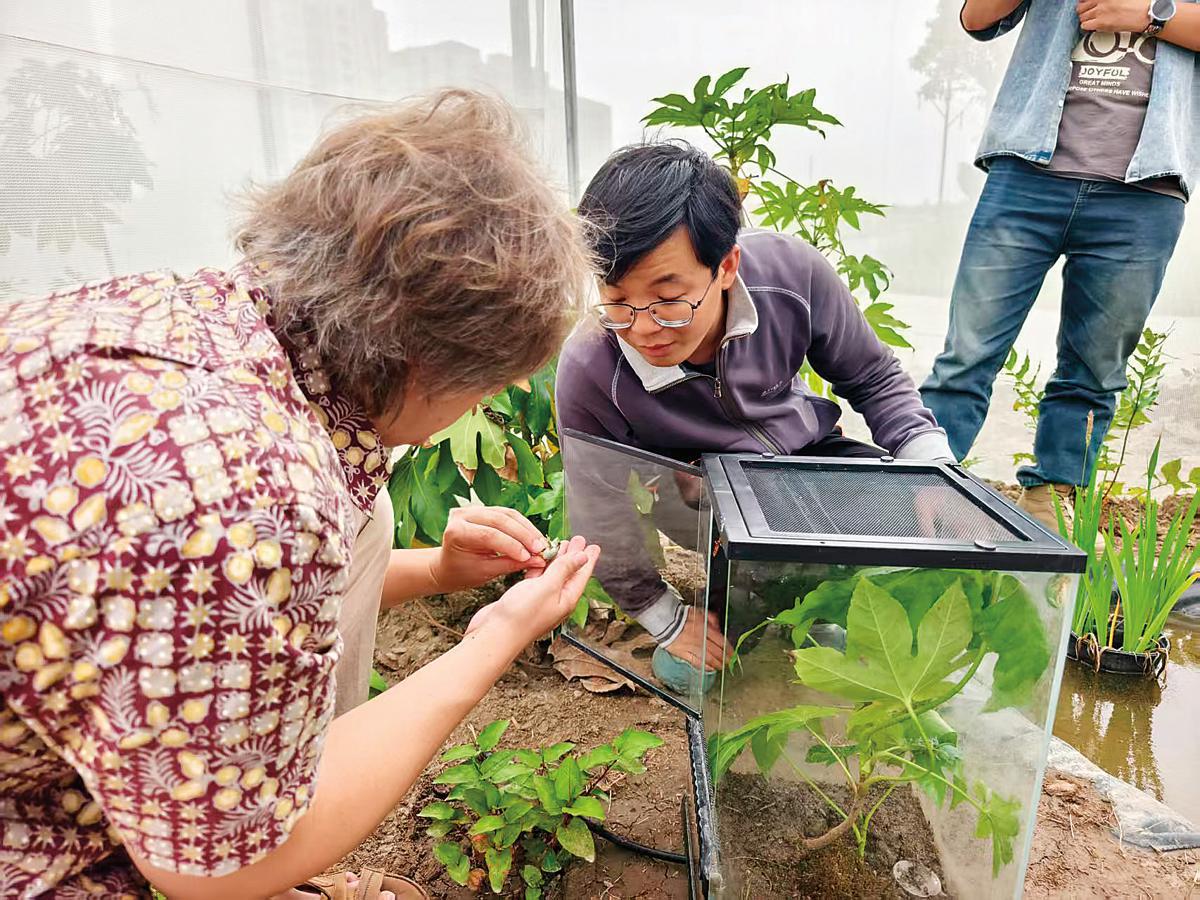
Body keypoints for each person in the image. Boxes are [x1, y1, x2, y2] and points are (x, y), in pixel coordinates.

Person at [0, 89, 600, 900]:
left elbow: (209, 606)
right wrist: (491, 639)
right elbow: (215, 872)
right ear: (426, 363)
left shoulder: (203, 313)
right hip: (32, 844)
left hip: (55, 713)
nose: (484, 404)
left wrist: (437, 571)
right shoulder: (253, 493)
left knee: (368, 513)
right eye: (487, 384)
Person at [555, 141, 954, 683]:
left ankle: (817, 602)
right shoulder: (591, 367)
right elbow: (597, 505)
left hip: (809, 463)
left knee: (917, 526)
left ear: (726, 267)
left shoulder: (790, 275)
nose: (642, 327)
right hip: (712, 509)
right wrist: (666, 617)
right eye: (618, 300)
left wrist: (933, 469)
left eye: (669, 300)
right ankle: (763, 602)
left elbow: (873, 375)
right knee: (699, 674)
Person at [921, 0, 1199, 530]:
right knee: (967, 356)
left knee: (1094, 371)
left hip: (1146, 190)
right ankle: (919, 487)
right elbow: (977, 18)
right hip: (1027, 171)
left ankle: (1051, 503)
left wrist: (1149, 15)